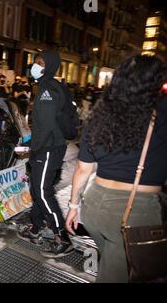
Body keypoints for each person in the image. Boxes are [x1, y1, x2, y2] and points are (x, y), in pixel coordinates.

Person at [65, 55, 167, 283]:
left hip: (94, 207)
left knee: (114, 262)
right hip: (134, 211)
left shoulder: (103, 113)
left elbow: (83, 169)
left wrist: (73, 207)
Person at [17, 50, 72, 258]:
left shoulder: (47, 89)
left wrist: (33, 148)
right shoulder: (47, 86)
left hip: (48, 148)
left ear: (48, 66)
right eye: (35, 61)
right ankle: (35, 227)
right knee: (38, 188)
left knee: (42, 192)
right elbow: (43, 124)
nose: (35, 65)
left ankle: (62, 237)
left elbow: (47, 125)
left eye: (40, 62)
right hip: (50, 145)